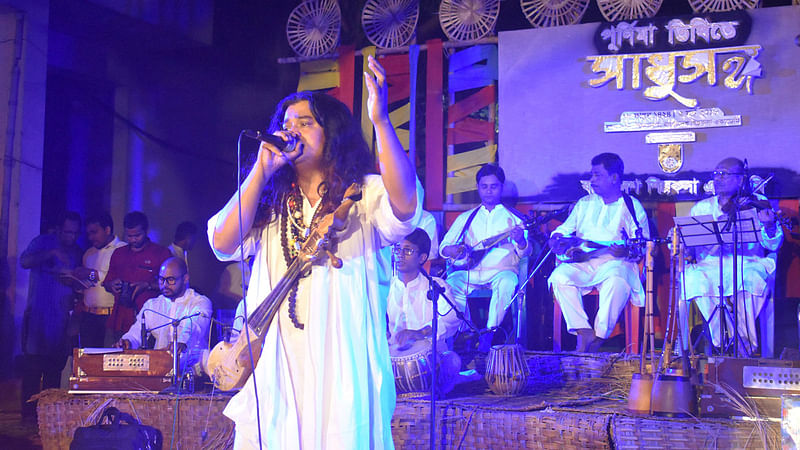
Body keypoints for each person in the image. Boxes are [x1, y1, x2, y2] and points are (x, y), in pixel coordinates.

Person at [207, 55, 420, 448]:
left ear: (332, 133)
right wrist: (260, 170)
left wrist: (381, 122)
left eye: (305, 123)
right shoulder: (269, 200)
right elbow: (221, 242)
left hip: (341, 354)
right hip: (277, 357)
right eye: (285, 125)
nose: (292, 131)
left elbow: (406, 205)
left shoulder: (364, 192)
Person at [548, 153, 649, 352]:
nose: (592, 180)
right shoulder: (585, 203)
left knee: (616, 279)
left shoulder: (631, 206)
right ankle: (583, 330)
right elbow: (564, 229)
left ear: (614, 178)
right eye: (592, 175)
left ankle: (599, 338)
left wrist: (626, 252)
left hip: (615, 263)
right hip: (585, 262)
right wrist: (557, 238)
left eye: (597, 175)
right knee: (559, 277)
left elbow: (642, 244)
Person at [683, 157, 783, 355]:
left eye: (724, 174)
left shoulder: (757, 204)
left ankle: (744, 344)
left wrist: (769, 225)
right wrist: (684, 246)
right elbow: (690, 249)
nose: (718, 179)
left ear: (740, 179)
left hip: (747, 262)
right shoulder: (701, 208)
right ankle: (720, 340)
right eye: (716, 174)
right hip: (711, 264)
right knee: (694, 278)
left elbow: (773, 244)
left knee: (749, 280)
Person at [439, 164, 530, 351]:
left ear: (501, 187)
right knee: (452, 283)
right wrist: (452, 250)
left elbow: (525, 253)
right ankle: (468, 332)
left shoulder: (515, 218)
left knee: (507, 282)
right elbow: (444, 248)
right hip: (470, 272)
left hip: (501, 271)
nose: (489, 191)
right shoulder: (467, 217)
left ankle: (489, 334)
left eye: (494, 186)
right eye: (484, 186)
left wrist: (521, 241)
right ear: (478, 187)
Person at [19, 212, 82, 421]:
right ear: (58, 229)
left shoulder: (77, 251)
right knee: (32, 371)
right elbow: (24, 261)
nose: (70, 237)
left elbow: (79, 285)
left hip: (61, 322)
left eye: (74, 233)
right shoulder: (43, 242)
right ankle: (28, 417)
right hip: (38, 318)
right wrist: (51, 253)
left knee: (54, 372)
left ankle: (47, 418)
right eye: (67, 232)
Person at [387, 229, 463, 396]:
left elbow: (452, 320)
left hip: (431, 358)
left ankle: (435, 398)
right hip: (392, 360)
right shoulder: (386, 288)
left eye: (407, 250)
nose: (400, 255)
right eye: (397, 249)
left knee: (452, 361)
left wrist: (419, 333)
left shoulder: (436, 286)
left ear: (422, 258)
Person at [117, 257, 212, 374]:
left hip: (193, 370)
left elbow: (195, 326)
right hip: (159, 370)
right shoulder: (152, 305)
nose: (164, 285)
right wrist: (128, 341)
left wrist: (181, 342)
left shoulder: (200, 302)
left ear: (185, 278)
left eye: (170, 280)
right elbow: (136, 334)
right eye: (161, 279)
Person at [104, 211, 172, 342]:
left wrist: (147, 286)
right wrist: (112, 285)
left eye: (137, 235)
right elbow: (106, 283)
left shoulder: (161, 253)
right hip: (120, 319)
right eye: (129, 236)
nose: (133, 239)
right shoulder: (119, 253)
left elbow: (172, 285)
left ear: (146, 231)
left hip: (151, 322)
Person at [76, 212, 126, 348]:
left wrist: (92, 273)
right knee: (89, 360)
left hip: (110, 316)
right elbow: (93, 280)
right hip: (88, 315)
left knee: (108, 359)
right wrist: (77, 280)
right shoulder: (89, 253)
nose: (91, 237)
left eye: (94, 232)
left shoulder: (122, 249)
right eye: (88, 234)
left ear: (107, 230)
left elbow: (119, 279)